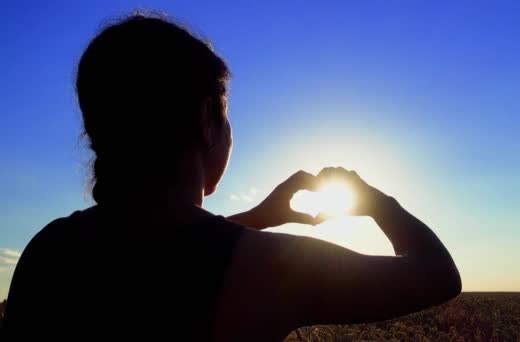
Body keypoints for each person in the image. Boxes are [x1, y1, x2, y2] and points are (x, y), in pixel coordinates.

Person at [2, 13, 461, 341]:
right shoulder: (274, 268)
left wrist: (260, 215)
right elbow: (438, 274)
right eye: (225, 116)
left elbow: (167, 255)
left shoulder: (48, 251)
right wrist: (377, 201)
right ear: (206, 120)